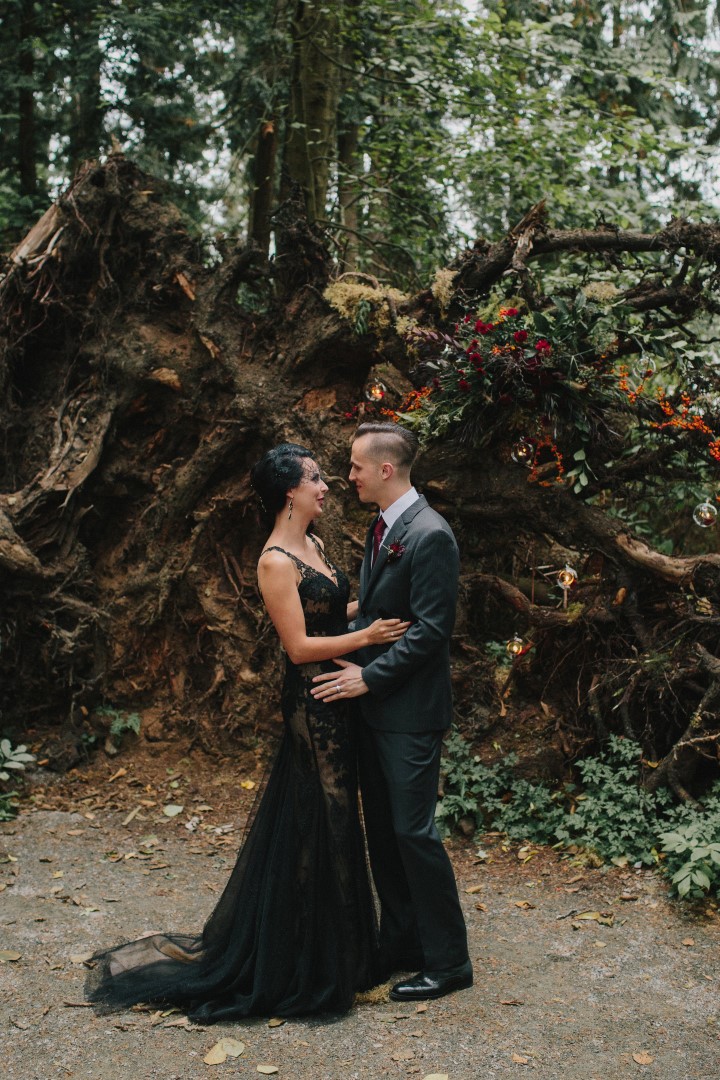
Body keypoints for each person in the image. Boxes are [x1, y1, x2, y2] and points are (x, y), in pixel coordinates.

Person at [86, 442, 409, 1021]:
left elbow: (328, 613)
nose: (327, 486)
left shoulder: (315, 545)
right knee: (327, 820)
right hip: (312, 704)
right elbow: (299, 646)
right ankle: (313, 965)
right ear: (290, 492)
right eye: (316, 478)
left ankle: (338, 954)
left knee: (332, 821)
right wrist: (367, 637)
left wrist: (371, 611)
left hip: (340, 697)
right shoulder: (274, 562)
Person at [311, 422, 472, 1002]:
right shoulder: (382, 526)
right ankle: (402, 943)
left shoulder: (430, 535)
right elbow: (380, 610)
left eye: (356, 466)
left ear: (385, 469)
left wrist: (368, 677)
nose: (348, 476)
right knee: (383, 832)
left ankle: (450, 963)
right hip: (375, 710)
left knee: (413, 832)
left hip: (409, 713)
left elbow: (431, 631)